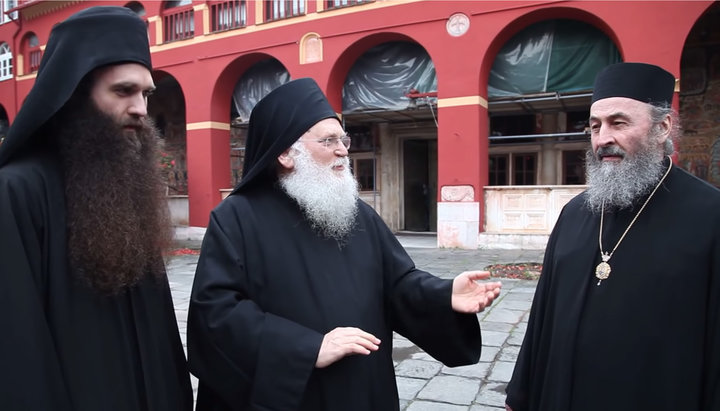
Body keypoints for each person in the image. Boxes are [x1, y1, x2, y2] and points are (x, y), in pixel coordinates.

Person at [187, 77, 502, 411]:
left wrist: (443, 295)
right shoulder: (237, 217)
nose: (343, 150)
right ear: (284, 153)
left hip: (361, 386)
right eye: (328, 141)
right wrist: (307, 348)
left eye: (343, 139)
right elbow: (216, 315)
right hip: (293, 393)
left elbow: (396, 283)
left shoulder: (357, 213)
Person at [0, 6, 193, 410]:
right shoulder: (16, 191)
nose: (141, 108)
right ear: (72, 96)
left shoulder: (126, 186)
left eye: (145, 93)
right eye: (123, 91)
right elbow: (17, 357)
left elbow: (160, 334)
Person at [505, 62, 720, 411]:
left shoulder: (711, 216)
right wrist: (520, 394)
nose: (603, 138)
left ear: (662, 127)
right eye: (594, 126)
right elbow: (542, 315)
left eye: (618, 123)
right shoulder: (574, 213)